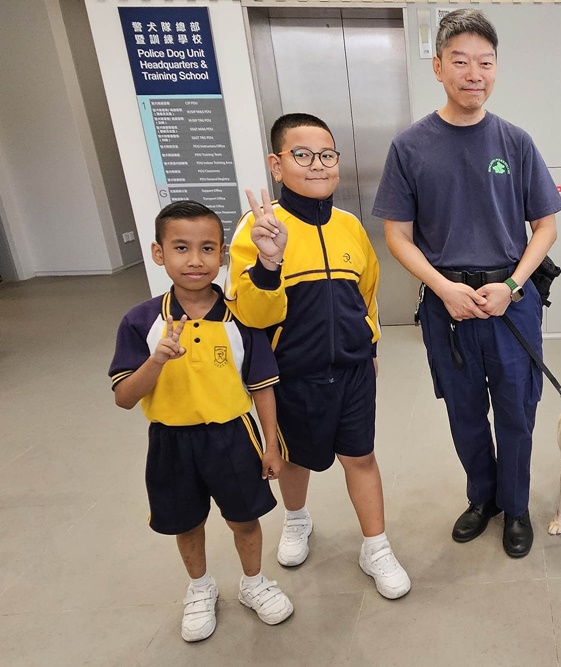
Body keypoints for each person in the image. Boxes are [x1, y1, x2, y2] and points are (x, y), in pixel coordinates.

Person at [372, 9, 561, 558]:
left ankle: (516, 506)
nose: (473, 73)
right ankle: (483, 498)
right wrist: (442, 288)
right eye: (460, 61)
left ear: (496, 69)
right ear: (438, 67)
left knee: (517, 411)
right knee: (464, 413)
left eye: (485, 62)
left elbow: (545, 227)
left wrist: (514, 286)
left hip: (511, 303)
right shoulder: (410, 147)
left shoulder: (515, 142)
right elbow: (397, 235)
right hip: (447, 306)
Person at [225, 113, 410, 599]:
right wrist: (269, 261)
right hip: (292, 375)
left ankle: (376, 547)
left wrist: (371, 346)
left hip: (352, 370)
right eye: (302, 155)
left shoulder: (350, 226)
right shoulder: (258, 228)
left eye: (327, 155)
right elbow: (249, 313)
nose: (317, 165)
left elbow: (367, 295)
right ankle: (297, 519)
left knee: (361, 456)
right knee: (294, 459)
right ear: (277, 164)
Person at [109, 201, 293, 642]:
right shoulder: (141, 321)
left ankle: (254, 583)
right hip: (170, 441)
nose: (195, 260)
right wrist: (156, 361)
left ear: (223, 254)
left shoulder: (240, 318)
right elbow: (124, 397)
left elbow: (262, 387)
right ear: (158, 253)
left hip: (234, 436)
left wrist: (271, 445)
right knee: (186, 522)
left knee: (245, 518)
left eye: (207, 248)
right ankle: (200, 588)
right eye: (181, 248)